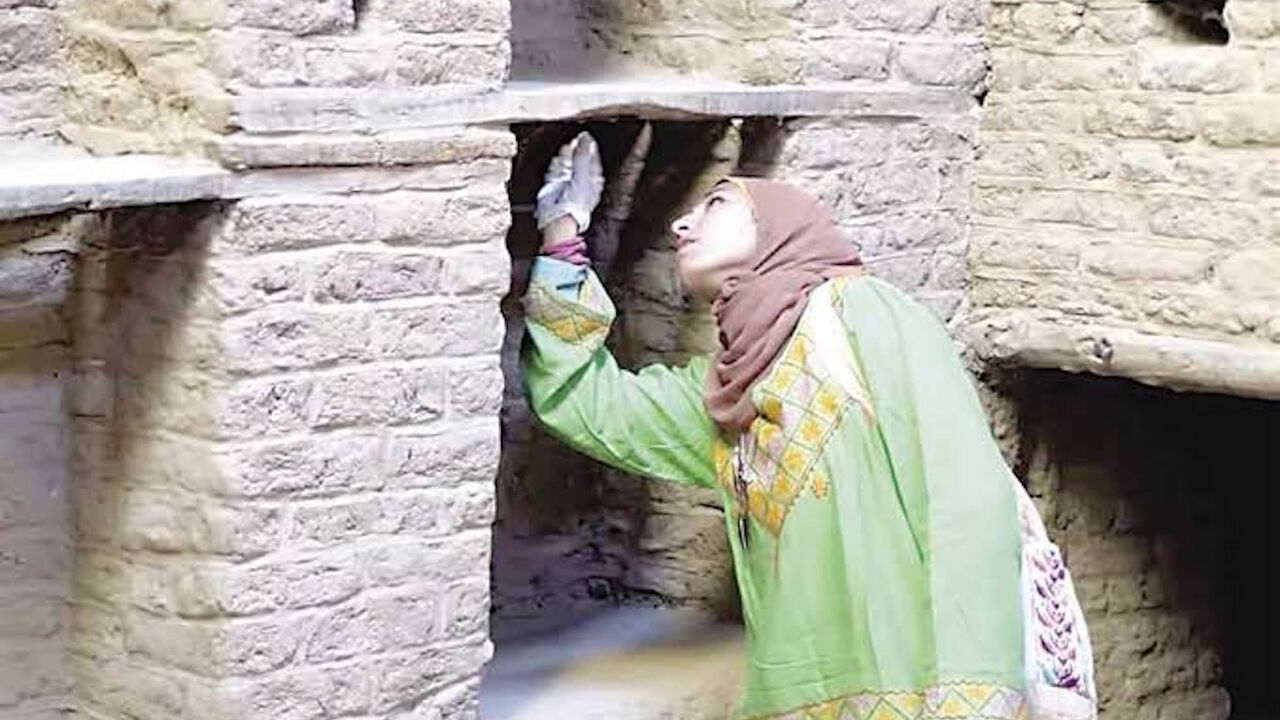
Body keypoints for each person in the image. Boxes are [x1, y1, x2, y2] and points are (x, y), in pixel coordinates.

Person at [521, 132, 1093, 720]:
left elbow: (962, 500)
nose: (681, 226)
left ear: (781, 228)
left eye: (715, 204)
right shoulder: (726, 396)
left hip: (933, 698)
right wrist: (563, 233)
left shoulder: (865, 314)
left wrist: (973, 699)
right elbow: (588, 402)